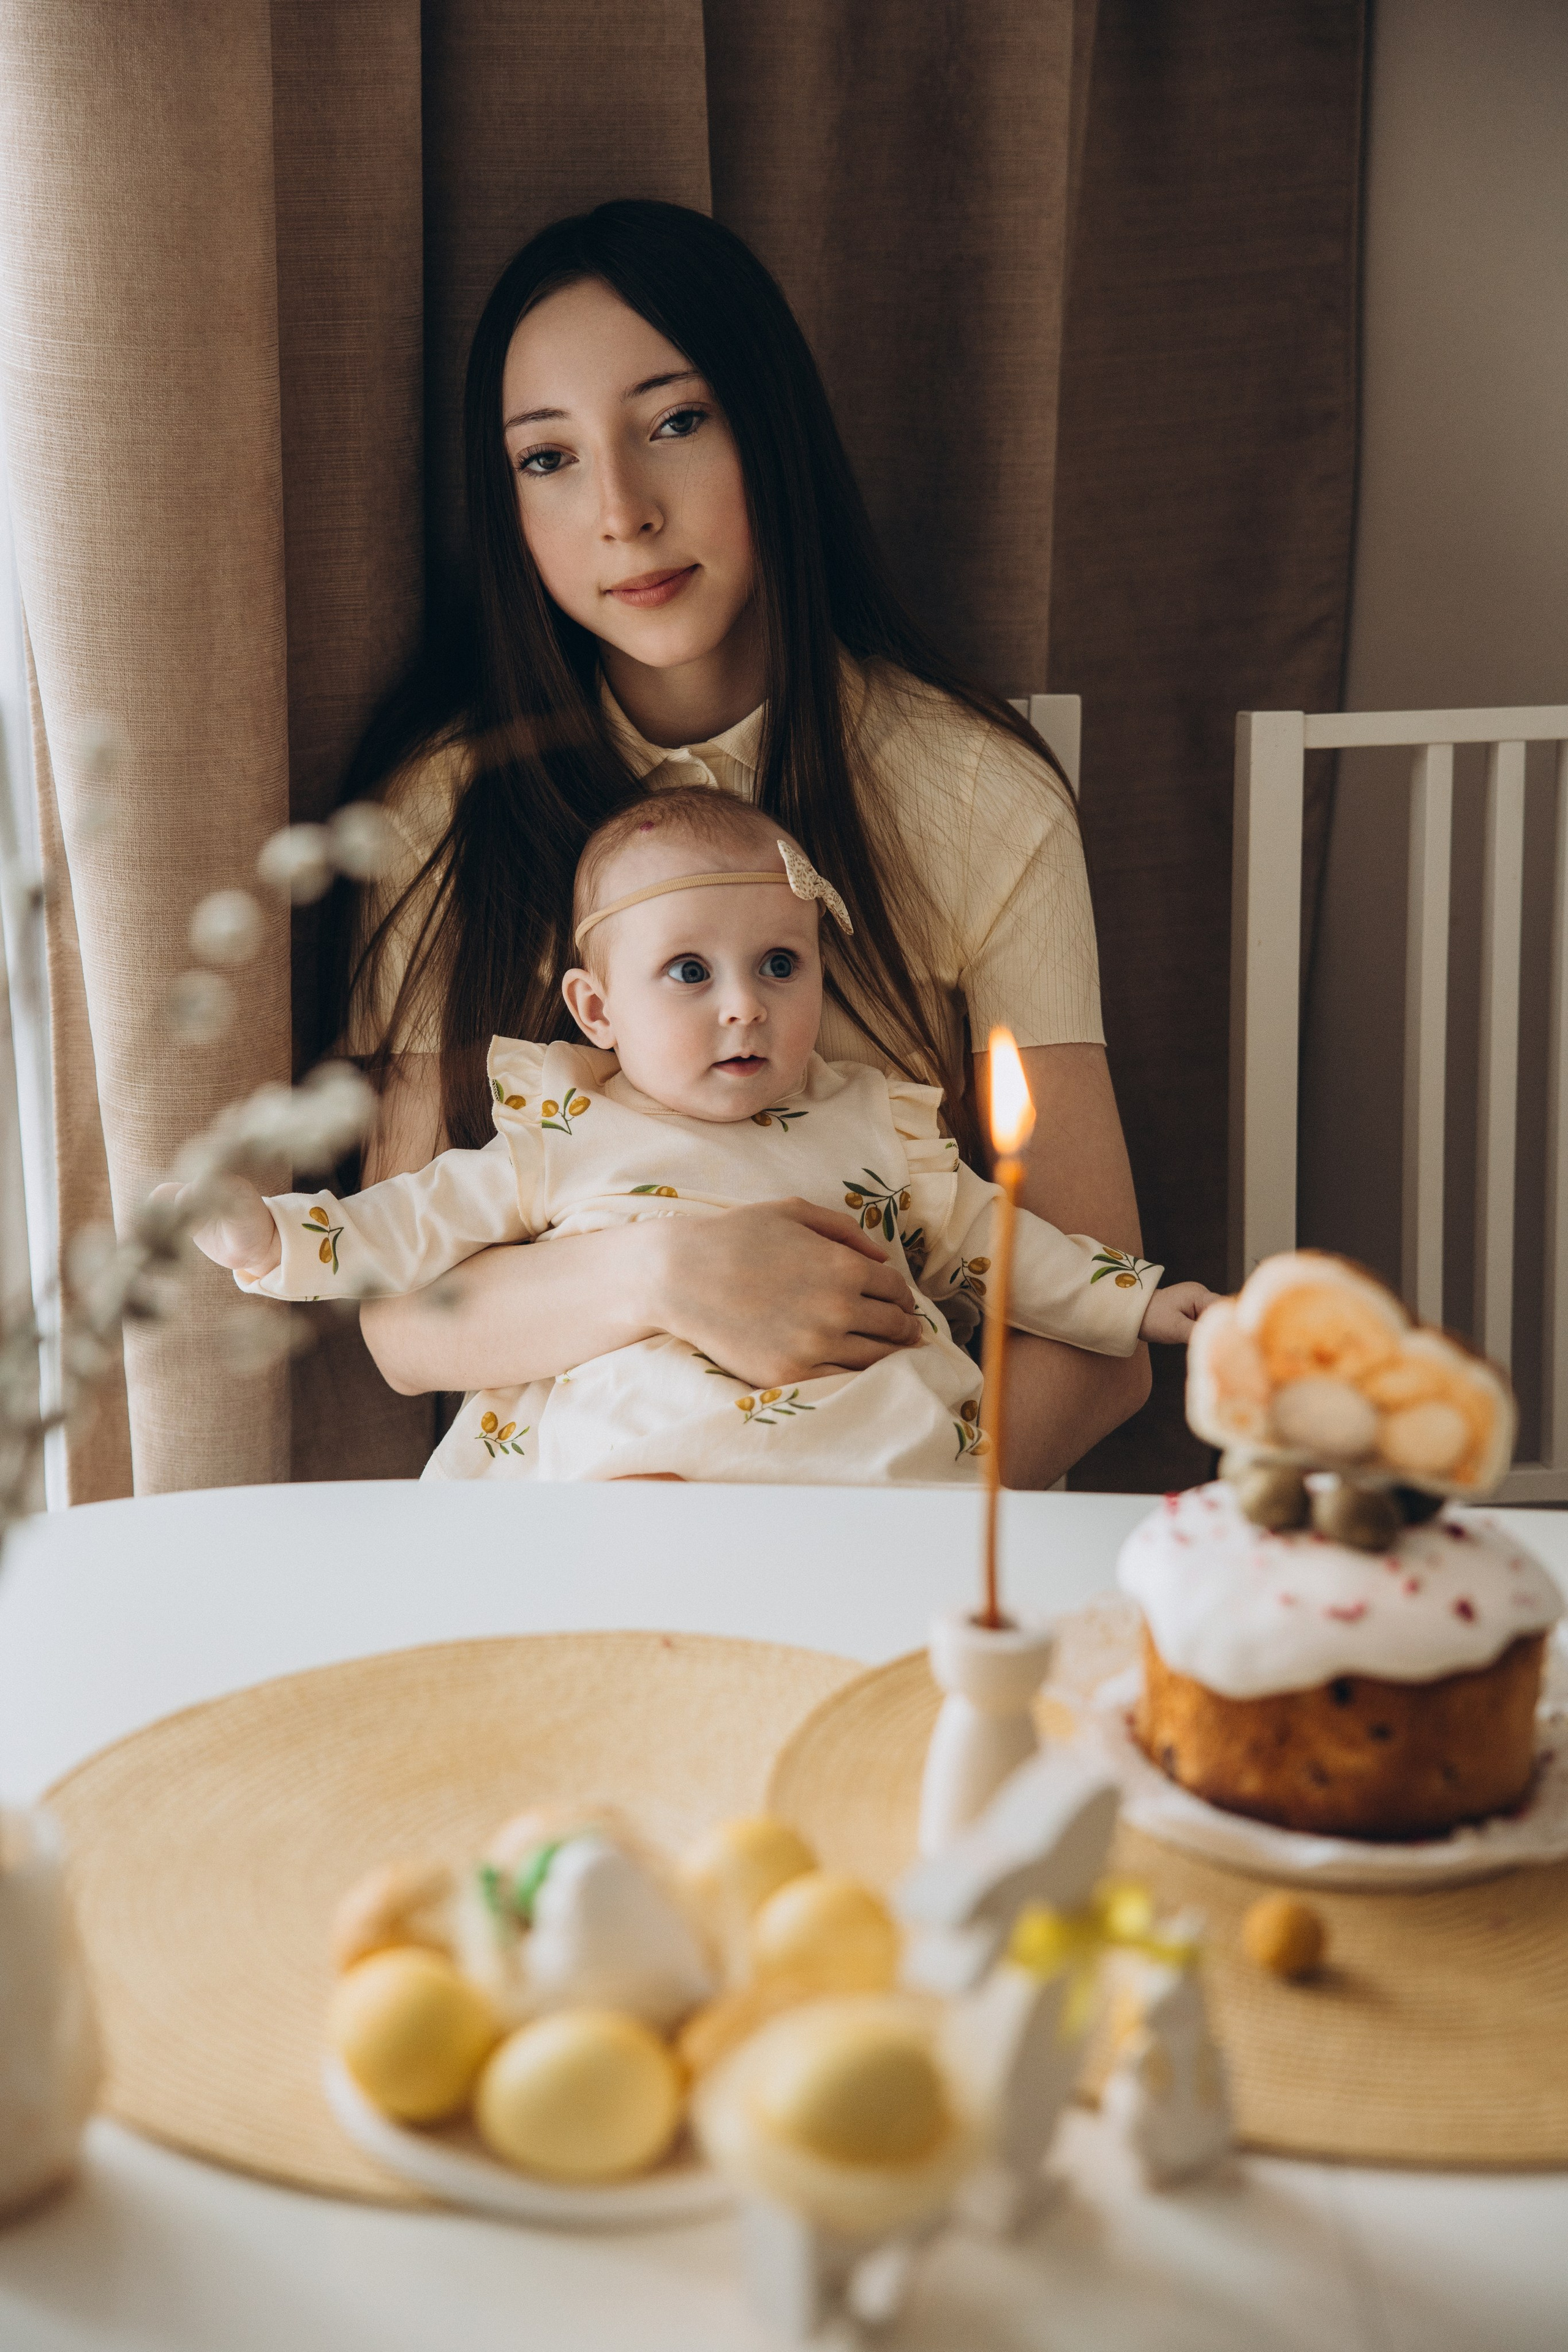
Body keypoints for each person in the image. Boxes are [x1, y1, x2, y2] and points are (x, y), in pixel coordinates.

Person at [325, 198, 1154, 1487]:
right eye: (548, 459)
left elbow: (1107, 1338)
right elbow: (401, 1327)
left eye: (675, 423)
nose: (622, 513)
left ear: (769, 432)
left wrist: (884, 1509)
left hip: (894, 1527)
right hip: (574, 1526)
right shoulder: (442, 807)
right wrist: (663, 1269)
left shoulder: (975, 793)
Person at [195, 795, 1213, 1483]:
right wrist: (275, 1241)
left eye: (780, 964)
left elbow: (999, 1244)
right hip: (652, 1458)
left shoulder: (874, 1120)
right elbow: (408, 1227)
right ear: (596, 1010)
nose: (744, 1007)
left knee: (918, 1444)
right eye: (690, 972)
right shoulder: (565, 1129)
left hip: (862, 1456)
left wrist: (1137, 1298)